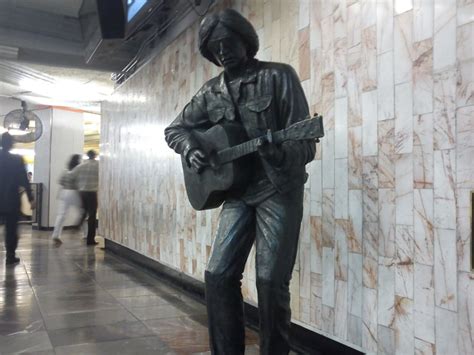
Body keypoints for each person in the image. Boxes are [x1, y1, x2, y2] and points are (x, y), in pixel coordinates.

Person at [165, 9, 316, 355]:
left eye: (228, 43)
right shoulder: (210, 92)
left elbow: (304, 142)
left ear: (245, 39)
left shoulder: (279, 77)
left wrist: (279, 154)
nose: (223, 53)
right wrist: (191, 148)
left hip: (278, 187)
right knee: (218, 276)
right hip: (236, 192)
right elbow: (175, 130)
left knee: (269, 281)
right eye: (214, 49)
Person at [0, 133, 36, 265]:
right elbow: (24, 180)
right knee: (11, 229)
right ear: (12, 144)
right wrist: (31, 198)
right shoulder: (17, 160)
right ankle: (10, 256)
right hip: (11, 199)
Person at [51, 154, 83, 245]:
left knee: (61, 215)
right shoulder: (78, 170)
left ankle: (56, 235)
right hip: (74, 192)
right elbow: (80, 182)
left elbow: (60, 182)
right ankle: (86, 234)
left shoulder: (65, 170)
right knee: (83, 212)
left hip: (64, 192)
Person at [70, 150, 99, 246]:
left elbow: (71, 176)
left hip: (82, 192)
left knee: (84, 211)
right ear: (95, 156)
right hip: (92, 192)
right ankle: (90, 240)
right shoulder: (98, 165)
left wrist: (79, 183)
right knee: (92, 216)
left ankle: (77, 224)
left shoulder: (81, 166)